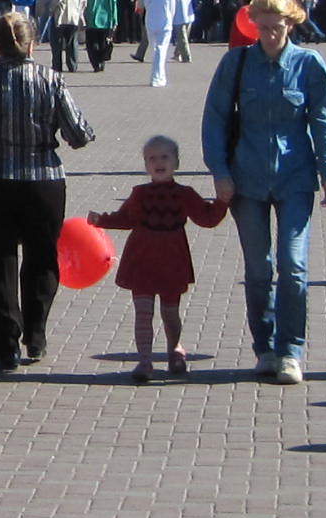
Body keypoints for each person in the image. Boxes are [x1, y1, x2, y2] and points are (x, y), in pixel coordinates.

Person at [199, 0, 326, 384]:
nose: (269, 36)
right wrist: (220, 171)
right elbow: (215, 118)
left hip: (295, 177)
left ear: (290, 23)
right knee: (258, 268)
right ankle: (265, 347)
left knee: (293, 266)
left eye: (276, 28)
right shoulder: (237, 63)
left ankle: (290, 351)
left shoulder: (309, 65)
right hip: (247, 179)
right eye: (262, 29)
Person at [0, 9, 91, 371]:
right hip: (43, 180)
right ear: (32, 44)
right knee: (42, 261)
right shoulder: (51, 80)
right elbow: (79, 134)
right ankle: (35, 335)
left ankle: (2, 347)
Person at [88, 135, 228, 381]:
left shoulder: (184, 194)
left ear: (176, 162)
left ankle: (175, 349)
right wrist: (102, 220)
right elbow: (126, 219)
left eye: (164, 156)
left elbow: (206, 218)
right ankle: (144, 361)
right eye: (151, 158)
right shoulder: (139, 194)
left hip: (172, 261)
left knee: (170, 312)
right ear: (145, 165)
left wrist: (222, 202)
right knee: (143, 312)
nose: (158, 162)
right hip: (141, 260)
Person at [141, 0, 187, 87]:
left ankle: (158, 76)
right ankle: (158, 77)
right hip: (165, 22)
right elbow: (172, 8)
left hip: (150, 22)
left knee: (155, 50)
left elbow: (145, 5)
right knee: (162, 49)